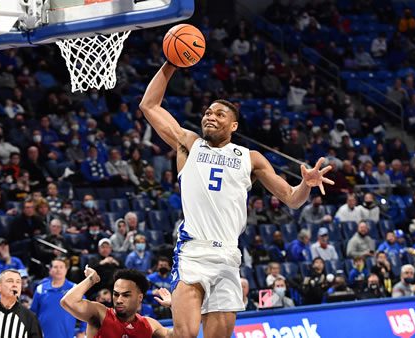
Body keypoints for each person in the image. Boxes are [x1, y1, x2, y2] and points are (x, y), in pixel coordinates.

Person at [139, 61, 333, 337]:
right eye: (207, 112)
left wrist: (306, 184)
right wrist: (171, 63)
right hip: (193, 251)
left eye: (219, 114)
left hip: (228, 255)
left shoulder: (250, 158)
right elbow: (149, 106)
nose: (210, 117)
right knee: (186, 335)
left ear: (233, 125)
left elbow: (291, 199)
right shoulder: (189, 144)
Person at [60, 267, 172, 338]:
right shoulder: (100, 314)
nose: (118, 300)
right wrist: (91, 279)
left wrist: (173, 306)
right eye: (116, 294)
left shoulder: (150, 325)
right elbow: (68, 301)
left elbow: (180, 335)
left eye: (126, 295)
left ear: (140, 297)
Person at [31, 258, 87, 338]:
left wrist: (82, 330)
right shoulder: (40, 289)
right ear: (50, 269)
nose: (58, 270)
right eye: (55, 267)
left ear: (66, 270)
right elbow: (32, 313)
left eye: (61, 267)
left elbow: (85, 311)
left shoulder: (74, 289)